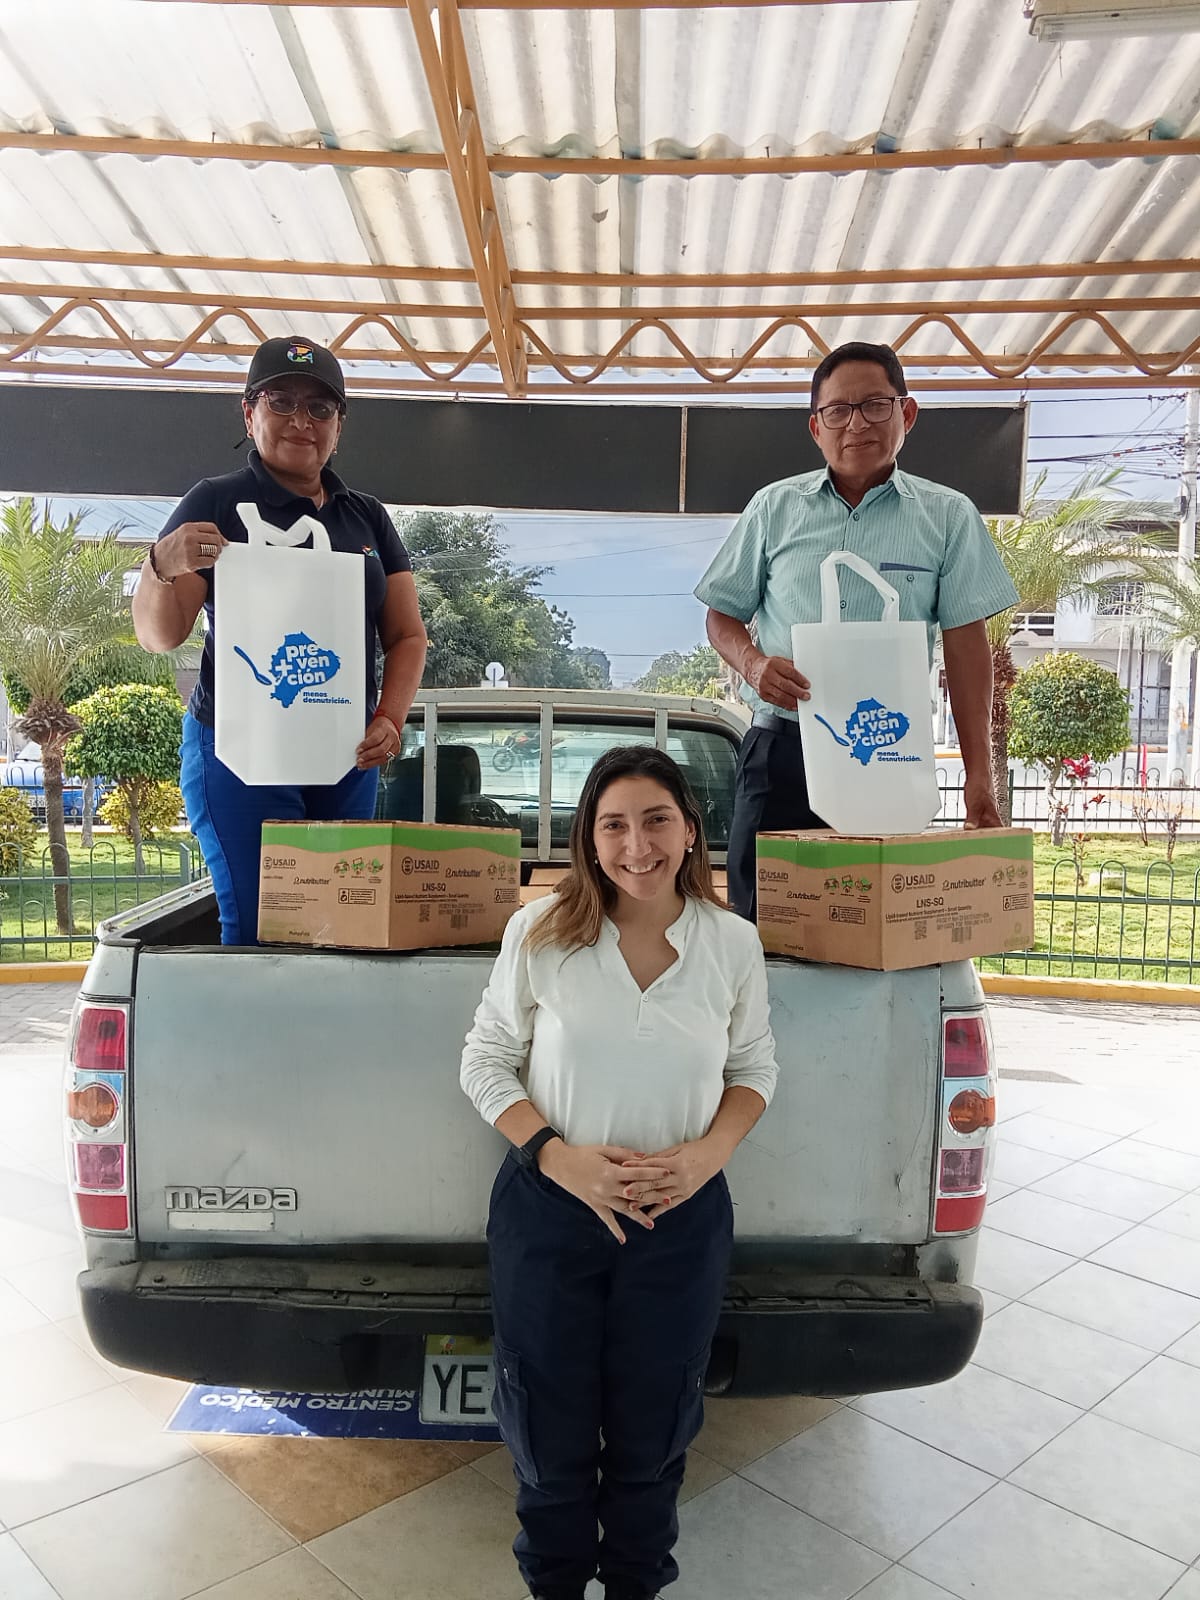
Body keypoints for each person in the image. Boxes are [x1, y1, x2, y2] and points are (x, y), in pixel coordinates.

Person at [460, 746, 777, 1600]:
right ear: (589, 840)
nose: (638, 846)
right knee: (547, 1435)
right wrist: (556, 1156)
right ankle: (555, 1585)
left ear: (690, 829)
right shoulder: (540, 933)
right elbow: (484, 1060)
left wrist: (708, 1155)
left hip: (679, 1225)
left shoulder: (732, 943)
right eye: (614, 826)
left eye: (656, 820)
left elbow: (753, 1069)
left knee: (654, 1436)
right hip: (550, 1216)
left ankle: (636, 1584)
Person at [696, 340, 1020, 920]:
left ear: (906, 413)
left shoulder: (948, 517)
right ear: (815, 427)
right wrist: (753, 663)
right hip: (782, 750)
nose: (857, 425)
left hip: (888, 752)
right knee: (760, 926)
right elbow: (721, 614)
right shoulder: (774, 509)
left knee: (877, 924)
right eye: (838, 411)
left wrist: (980, 779)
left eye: (875, 405)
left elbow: (966, 648)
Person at [132, 335, 427, 944]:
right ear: (249, 413)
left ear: (339, 424)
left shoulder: (367, 516)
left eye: (320, 407)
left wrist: (390, 718)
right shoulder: (216, 501)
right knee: (260, 928)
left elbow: (406, 635)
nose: (301, 421)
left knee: (341, 926)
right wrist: (161, 564)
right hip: (240, 752)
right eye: (281, 402)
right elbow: (161, 636)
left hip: (344, 753)